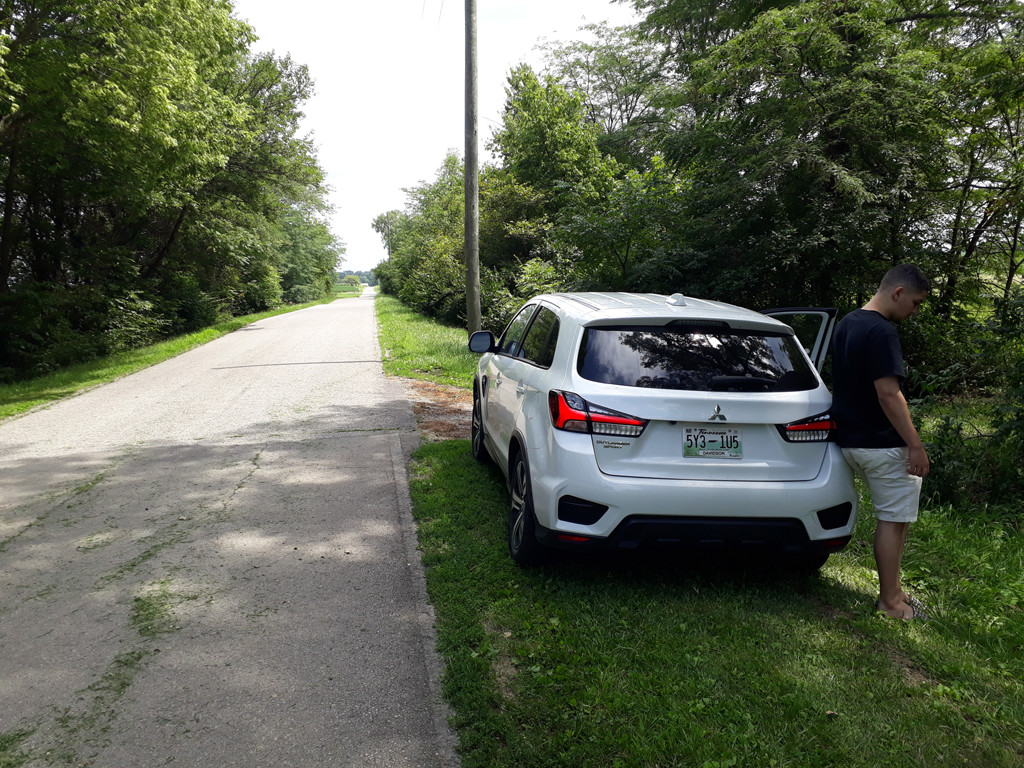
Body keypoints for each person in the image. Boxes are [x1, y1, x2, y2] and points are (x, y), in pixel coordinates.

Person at [831, 264, 931, 620]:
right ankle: (890, 601)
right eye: (916, 303)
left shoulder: (847, 323)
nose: (915, 311)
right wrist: (915, 445)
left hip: (849, 440)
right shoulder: (881, 331)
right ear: (899, 293)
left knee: (894, 517)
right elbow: (889, 394)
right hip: (882, 444)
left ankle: (896, 590)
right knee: (894, 520)